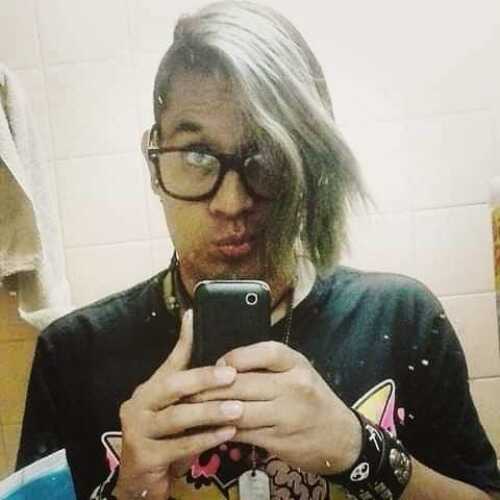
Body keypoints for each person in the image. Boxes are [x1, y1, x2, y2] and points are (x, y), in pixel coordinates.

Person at [16, 2, 500, 499]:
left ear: (311, 164)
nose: (232, 202)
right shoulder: (73, 356)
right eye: (196, 154)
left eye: (267, 154)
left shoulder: (401, 320)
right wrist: (130, 489)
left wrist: (361, 452)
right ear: (153, 162)